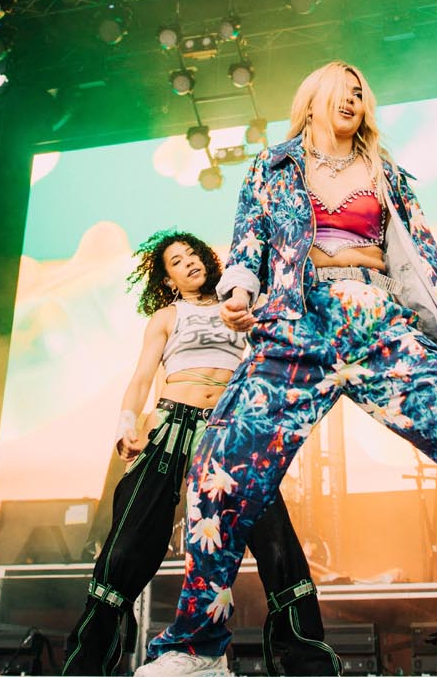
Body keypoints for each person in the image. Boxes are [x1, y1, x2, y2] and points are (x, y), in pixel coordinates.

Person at [136, 62, 437, 677]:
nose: (353, 99)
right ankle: (195, 650)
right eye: (342, 90)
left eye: (361, 92)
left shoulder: (387, 172)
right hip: (296, 324)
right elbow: (248, 244)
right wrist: (239, 295)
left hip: (377, 320)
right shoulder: (272, 166)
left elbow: (423, 261)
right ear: (312, 101)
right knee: (218, 470)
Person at [62, 228, 338, 677]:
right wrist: (127, 423)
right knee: (126, 549)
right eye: (176, 261)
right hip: (171, 430)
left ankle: (307, 663)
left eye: (192, 254)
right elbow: (142, 377)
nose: (189, 262)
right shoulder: (167, 317)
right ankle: (85, 667)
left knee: (276, 543)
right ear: (167, 279)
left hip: (231, 431)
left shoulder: (242, 303)